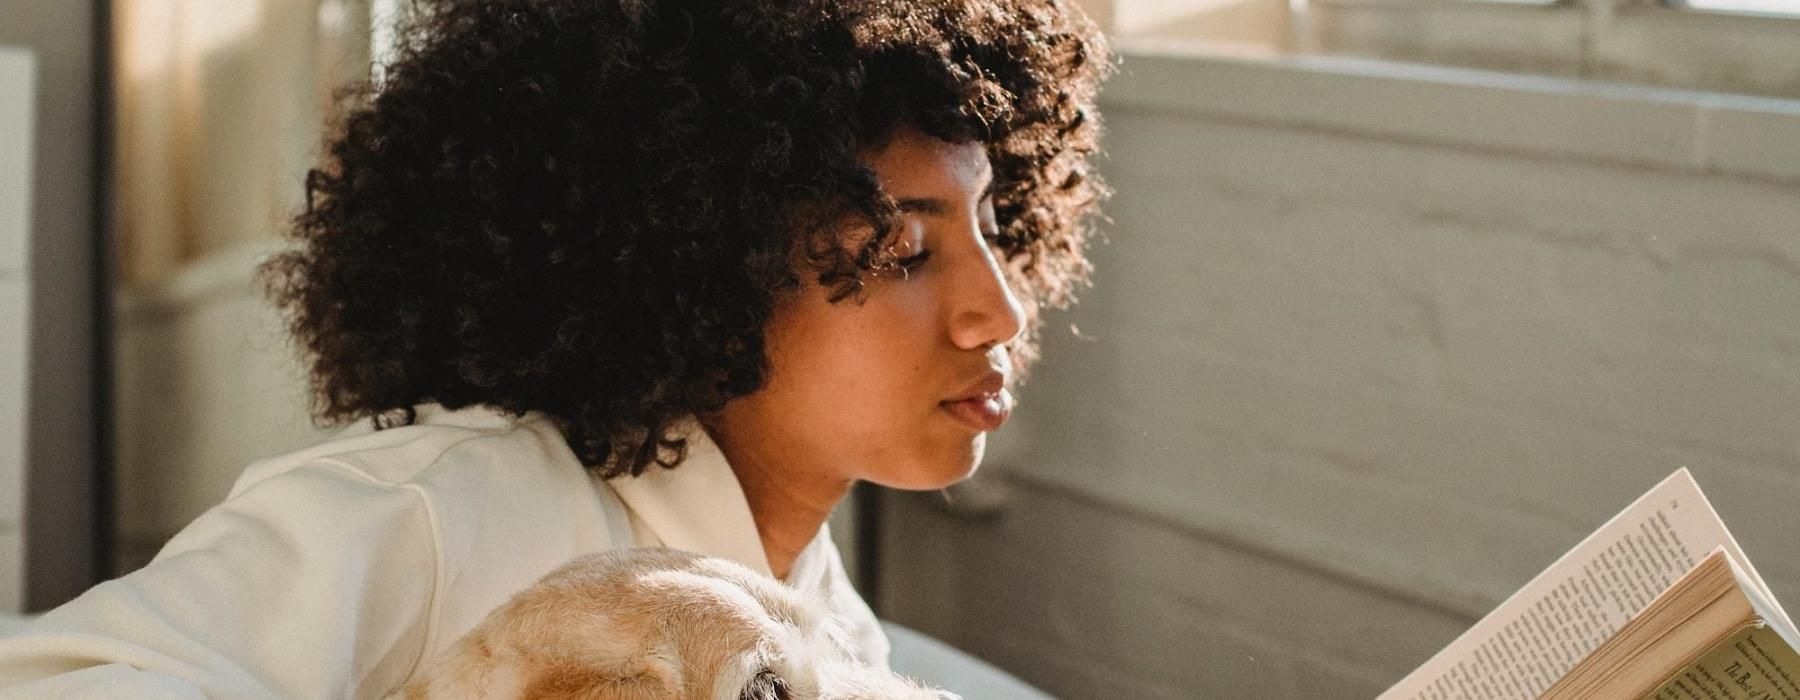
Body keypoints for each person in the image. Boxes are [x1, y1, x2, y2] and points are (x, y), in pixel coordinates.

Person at [0, 0, 1110, 696]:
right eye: (904, 253)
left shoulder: (816, 601)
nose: (1001, 312)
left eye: (998, 229)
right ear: (698, 261)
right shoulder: (453, 507)